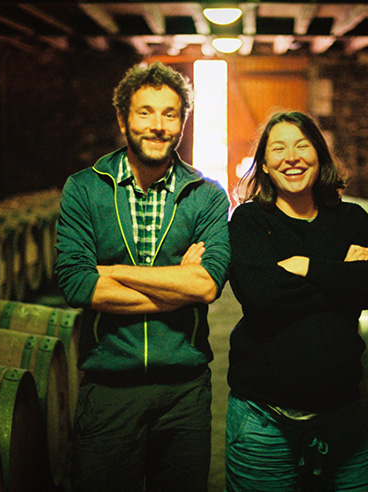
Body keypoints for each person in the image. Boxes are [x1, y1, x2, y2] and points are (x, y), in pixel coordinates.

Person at [55, 61, 230, 492]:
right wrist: (178, 285)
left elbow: (207, 285)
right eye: (145, 112)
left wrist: (115, 272)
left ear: (183, 122)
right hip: (108, 388)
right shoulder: (84, 188)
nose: (158, 125)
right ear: (123, 119)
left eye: (170, 114)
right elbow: (77, 283)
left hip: (185, 391)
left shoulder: (207, 195)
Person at [226, 111, 368, 491]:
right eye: (278, 149)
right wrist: (340, 273)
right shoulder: (250, 222)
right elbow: (262, 295)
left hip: (344, 416)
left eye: (302, 146)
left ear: (319, 154)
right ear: (264, 164)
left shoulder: (350, 218)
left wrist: (306, 266)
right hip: (264, 419)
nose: (292, 157)